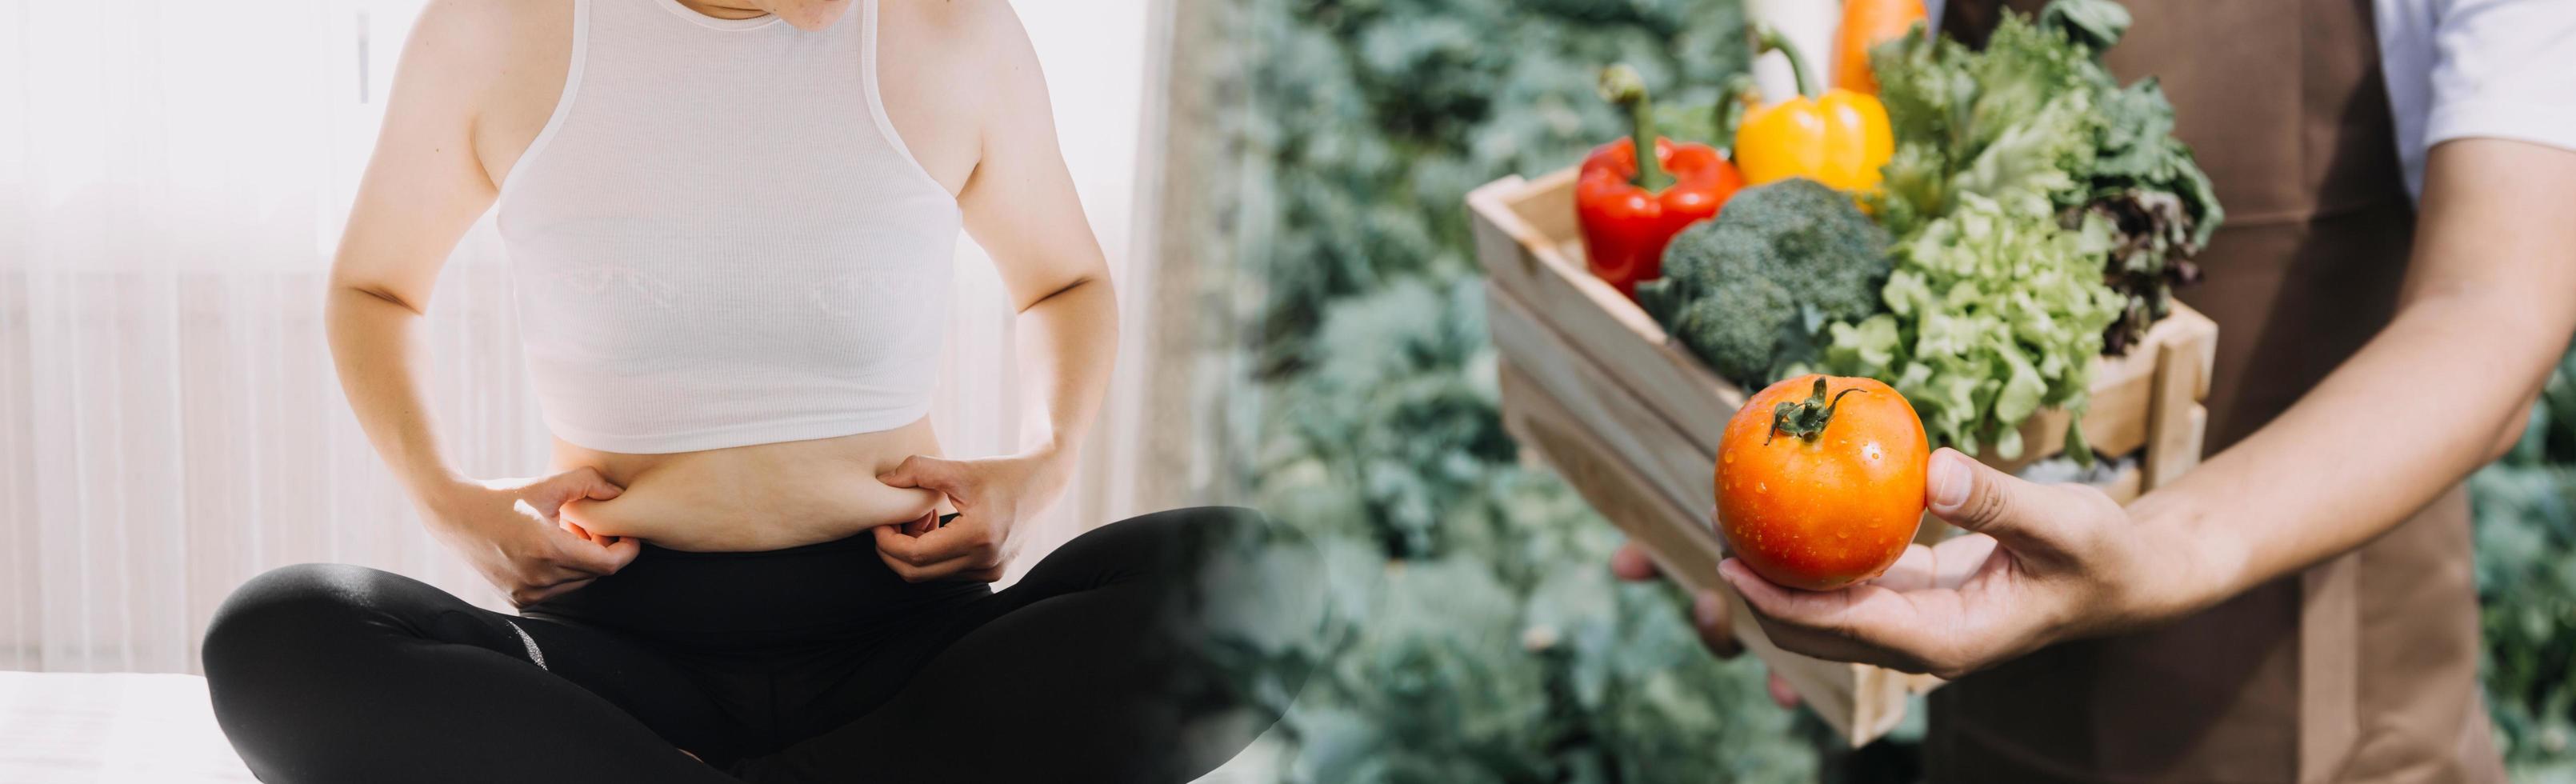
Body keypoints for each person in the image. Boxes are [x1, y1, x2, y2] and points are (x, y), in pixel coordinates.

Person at [198, 1, 1315, 782]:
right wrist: (447, 497)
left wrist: (1042, 464)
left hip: (911, 648)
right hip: (612, 657)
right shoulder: (505, 29)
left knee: (1265, 578)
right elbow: (376, 287)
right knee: (280, 635)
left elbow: (1065, 281)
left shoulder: (951, 27)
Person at [1616, 0, 2576, 779]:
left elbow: (2491, 306)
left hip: (2318, 698)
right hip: (1974, 660)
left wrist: (2162, 545)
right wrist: (1746, 512)